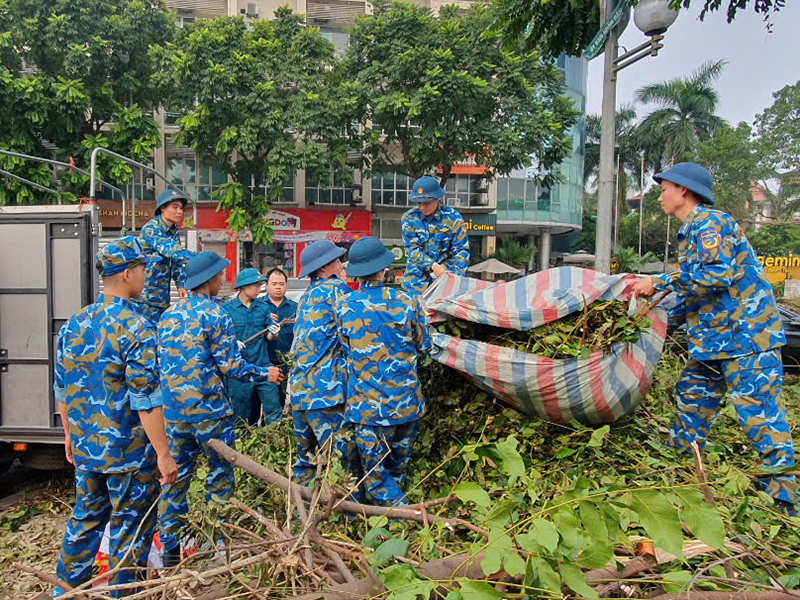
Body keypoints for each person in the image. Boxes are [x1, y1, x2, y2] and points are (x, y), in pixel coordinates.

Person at [632, 162, 796, 517]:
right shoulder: (690, 233)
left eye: (664, 189)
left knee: (759, 417)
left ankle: (785, 504)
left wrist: (658, 282)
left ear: (684, 191)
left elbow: (715, 276)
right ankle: (678, 475)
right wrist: (655, 324)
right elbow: (695, 294)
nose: (659, 196)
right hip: (713, 344)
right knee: (691, 398)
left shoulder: (712, 224)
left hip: (748, 341)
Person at [54, 237, 178, 597]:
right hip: (129, 455)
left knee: (84, 522)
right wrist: (164, 454)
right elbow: (147, 400)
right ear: (127, 274)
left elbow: (62, 390)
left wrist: (69, 437)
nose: (146, 276)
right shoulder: (137, 327)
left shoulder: (73, 325)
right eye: (142, 270)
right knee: (131, 528)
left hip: (87, 449)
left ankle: (63, 591)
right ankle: (123, 594)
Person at [157, 252, 284, 566]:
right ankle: (217, 554)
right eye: (220, 275)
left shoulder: (168, 315)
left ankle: (171, 554)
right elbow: (231, 366)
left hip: (173, 416)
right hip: (211, 414)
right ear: (210, 280)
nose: (224, 280)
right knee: (219, 480)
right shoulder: (215, 314)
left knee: (176, 481)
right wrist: (263, 373)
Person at [334, 238, 432, 506]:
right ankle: (396, 524)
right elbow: (425, 346)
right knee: (397, 471)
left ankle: (398, 520)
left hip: (368, 411)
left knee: (375, 477)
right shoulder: (408, 301)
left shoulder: (344, 305)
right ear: (383, 270)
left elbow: (346, 350)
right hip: (405, 405)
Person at [289, 240, 354, 487]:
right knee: (342, 460)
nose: (341, 263)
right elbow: (353, 335)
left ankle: (299, 516)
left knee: (305, 462)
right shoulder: (338, 291)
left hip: (300, 394)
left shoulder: (306, 297)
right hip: (326, 395)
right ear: (324, 268)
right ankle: (343, 519)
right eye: (337, 260)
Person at [222, 268, 282, 425]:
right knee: (242, 418)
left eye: (260, 285)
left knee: (274, 410)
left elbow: (269, 337)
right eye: (255, 285)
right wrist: (232, 343)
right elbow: (221, 339)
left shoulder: (262, 307)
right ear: (243, 286)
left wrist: (273, 332)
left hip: (264, 366)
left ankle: (274, 439)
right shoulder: (227, 309)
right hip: (240, 371)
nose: (258, 289)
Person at [400, 176, 470, 296]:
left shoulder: (453, 217)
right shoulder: (409, 218)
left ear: (437, 199)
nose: (422, 207)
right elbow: (413, 250)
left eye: (426, 203)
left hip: (446, 279)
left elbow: (461, 250)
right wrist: (433, 266)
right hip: (416, 282)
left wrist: (455, 279)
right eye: (419, 203)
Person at [132, 189, 194, 323]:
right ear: (163, 208)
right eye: (175, 207)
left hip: (162, 298)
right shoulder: (151, 229)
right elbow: (172, 251)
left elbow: (176, 261)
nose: (180, 212)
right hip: (145, 298)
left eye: (181, 208)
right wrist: (201, 259)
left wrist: (181, 284)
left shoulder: (173, 230)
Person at [263, 268, 298, 408]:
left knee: (279, 401)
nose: (278, 287)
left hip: (284, 362)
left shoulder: (294, 308)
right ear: (266, 285)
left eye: (281, 284)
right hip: (263, 362)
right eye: (274, 283)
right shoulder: (260, 306)